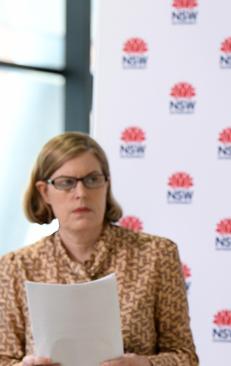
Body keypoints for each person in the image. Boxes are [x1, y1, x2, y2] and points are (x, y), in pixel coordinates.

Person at [0, 132, 198, 366]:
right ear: (45, 192)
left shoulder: (156, 255)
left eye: (92, 179)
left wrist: (146, 364)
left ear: (107, 184)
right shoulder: (16, 267)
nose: (81, 193)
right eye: (66, 183)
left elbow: (185, 357)